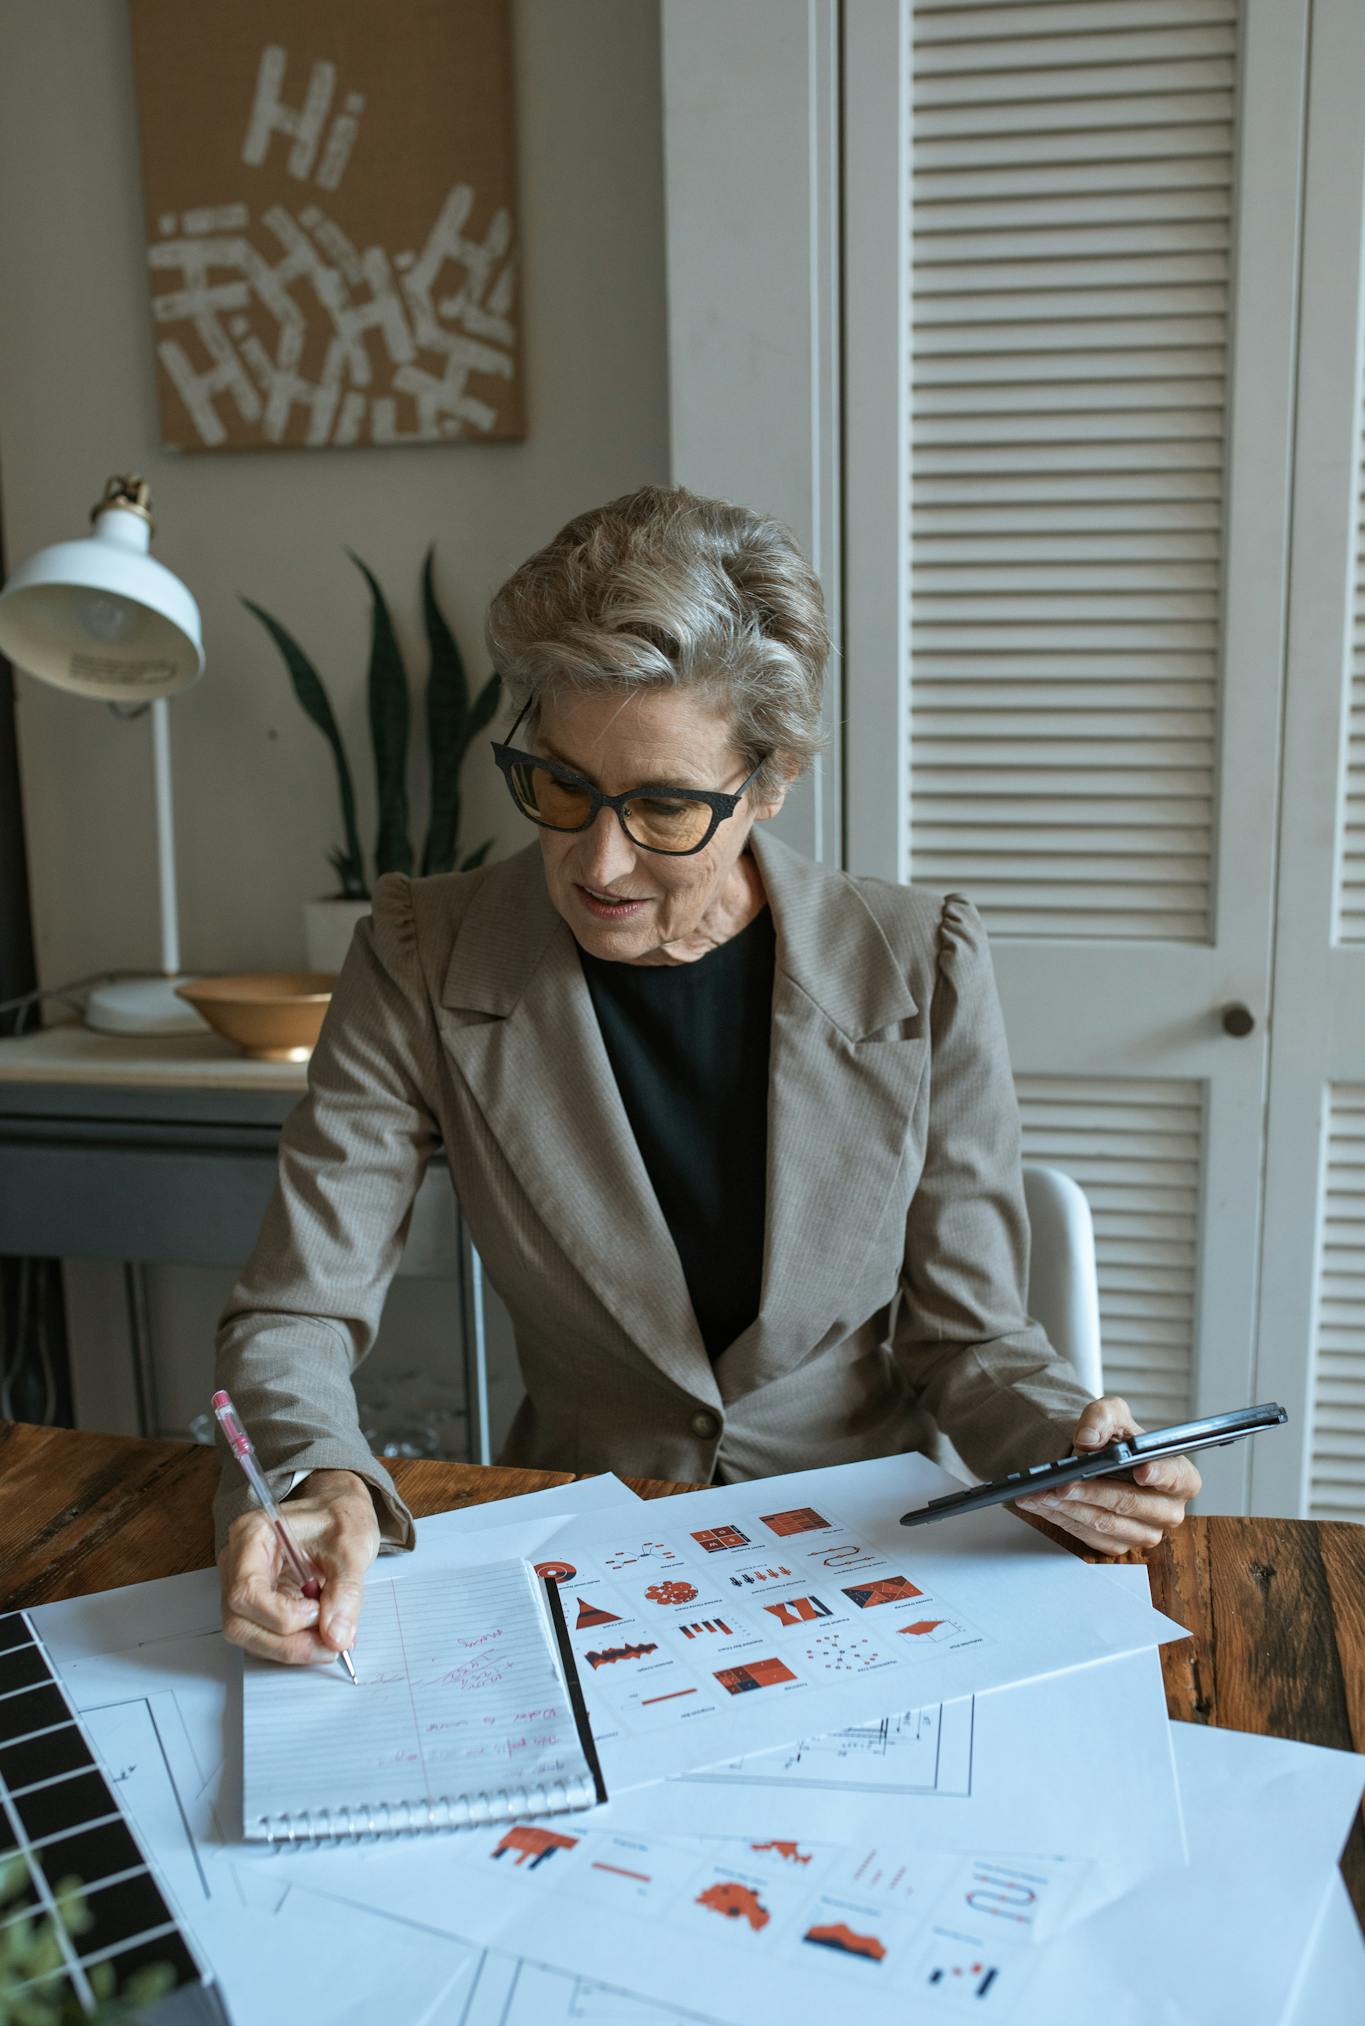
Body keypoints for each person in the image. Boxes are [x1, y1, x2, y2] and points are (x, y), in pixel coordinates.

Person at [214, 484, 1200, 1669]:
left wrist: (1066, 1450)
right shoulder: (423, 952)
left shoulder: (919, 961)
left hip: (869, 1563)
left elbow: (968, 1340)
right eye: (561, 785)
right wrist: (320, 1475)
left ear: (771, 780)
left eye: (666, 805)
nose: (598, 858)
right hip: (586, 1560)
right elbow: (297, 1307)